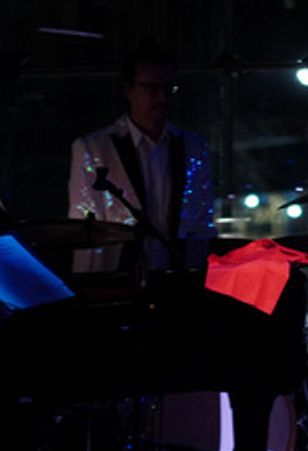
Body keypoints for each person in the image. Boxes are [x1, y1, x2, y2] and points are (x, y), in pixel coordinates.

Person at [67, 37, 215, 274]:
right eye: (152, 88)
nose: (162, 98)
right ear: (128, 90)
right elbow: (85, 230)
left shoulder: (194, 146)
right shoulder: (94, 148)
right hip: (121, 277)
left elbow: (201, 224)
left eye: (168, 88)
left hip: (178, 278)